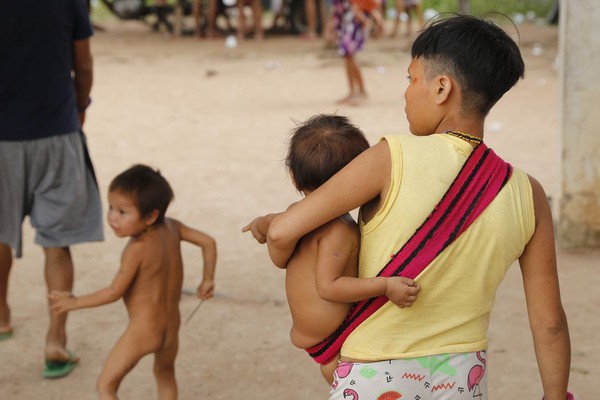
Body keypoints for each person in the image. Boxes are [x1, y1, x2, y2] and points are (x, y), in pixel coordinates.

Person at [257, 15, 572, 400]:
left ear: (442, 88)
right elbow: (550, 322)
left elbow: (281, 231)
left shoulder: (391, 157)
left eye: (411, 79)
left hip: (373, 374)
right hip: (461, 377)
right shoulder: (529, 193)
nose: (406, 93)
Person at [243, 114, 420, 384]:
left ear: (293, 177)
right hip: (332, 338)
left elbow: (272, 226)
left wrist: (259, 224)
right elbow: (329, 287)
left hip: (317, 334)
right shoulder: (338, 231)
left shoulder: (294, 216)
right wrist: (385, 286)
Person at [49, 165, 217, 399]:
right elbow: (208, 242)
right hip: (171, 327)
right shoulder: (173, 227)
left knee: (106, 386)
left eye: (122, 212)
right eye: (111, 208)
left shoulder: (137, 249)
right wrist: (207, 279)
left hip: (144, 330)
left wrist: (74, 302)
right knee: (165, 374)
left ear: (150, 216)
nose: (112, 218)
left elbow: (113, 292)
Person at [0, 0, 104, 379]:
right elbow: (85, 65)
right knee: (57, 242)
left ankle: (1, 315)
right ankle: (56, 338)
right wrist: (80, 105)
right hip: (56, 132)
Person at [331, 0, 373, 104]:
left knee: (350, 54)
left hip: (351, 20)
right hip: (344, 21)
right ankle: (353, 91)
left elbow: (354, 4)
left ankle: (361, 91)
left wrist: (362, 18)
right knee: (347, 56)